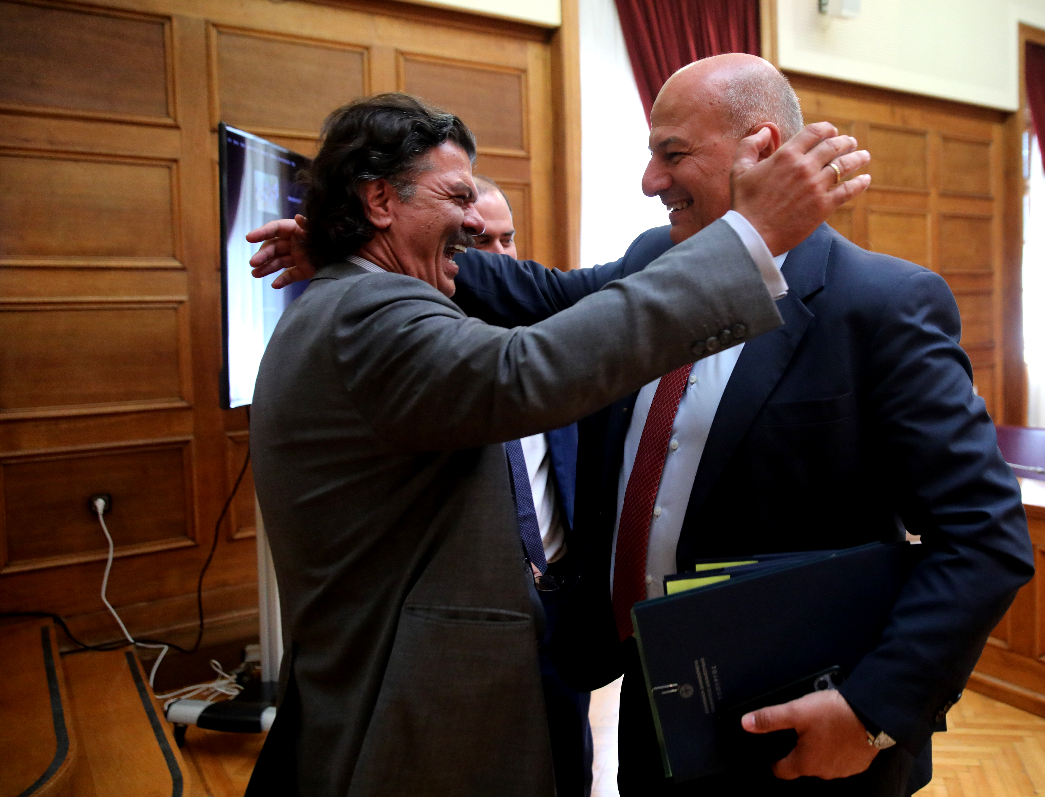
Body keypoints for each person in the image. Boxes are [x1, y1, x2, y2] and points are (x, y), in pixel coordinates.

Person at [244, 90, 868, 797]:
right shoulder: (368, 313)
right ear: (381, 201)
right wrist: (751, 237)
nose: (475, 220)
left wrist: (342, 238)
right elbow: (526, 370)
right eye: (457, 197)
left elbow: (559, 296)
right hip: (405, 712)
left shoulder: (350, 296)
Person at [473, 174, 595, 796]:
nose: (500, 258)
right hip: (477, 625)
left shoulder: (552, 339)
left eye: (508, 239)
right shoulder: (429, 352)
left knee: (567, 770)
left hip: (559, 608)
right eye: (479, 243)